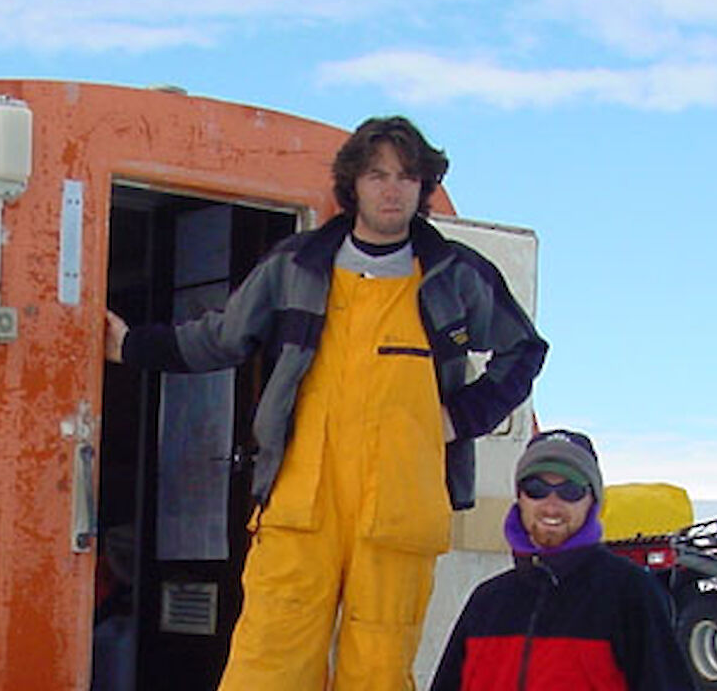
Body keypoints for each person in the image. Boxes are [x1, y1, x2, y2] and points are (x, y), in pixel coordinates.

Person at [105, 116, 547, 689]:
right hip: (301, 504)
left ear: (423, 188)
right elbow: (221, 336)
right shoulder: (298, 266)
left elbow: (524, 352)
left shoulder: (452, 275)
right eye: (377, 175)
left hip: (400, 507)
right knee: (268, 665)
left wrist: (460, 417)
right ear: (353, 184)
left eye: (407, 177)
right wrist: (134, 346)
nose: (392, 189)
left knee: (379, 673)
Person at [432, 430, 693, 691]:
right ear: (520, 497)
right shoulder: (487, 601)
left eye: (570, 490)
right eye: (536, 489)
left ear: (592, 501)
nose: (551, 506)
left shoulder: (630, 593)